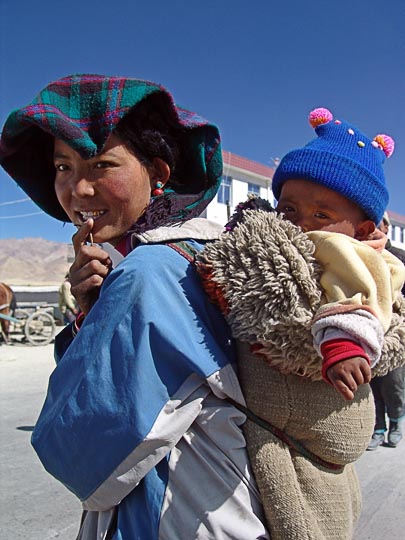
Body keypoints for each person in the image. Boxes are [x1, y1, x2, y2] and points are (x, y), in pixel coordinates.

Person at [0, 74, 269, 540]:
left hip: (183, 511)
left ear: (158, 175)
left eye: (101, 164)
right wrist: (93, 312)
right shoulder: (181, 258)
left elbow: (82, 446)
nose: (77, 189)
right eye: (63, 167)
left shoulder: (150, 270)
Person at [197, 108, 405, 539]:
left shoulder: (346, 252)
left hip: (319, 396)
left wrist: (343, 346)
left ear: (362, 228)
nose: (301, 223)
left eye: (321, 215)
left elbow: (357, 300)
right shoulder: (288, 242)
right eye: (288, 208)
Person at [367, 212, 405, 449]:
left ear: (387, 228)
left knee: (393, 382)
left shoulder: (399, 258)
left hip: (395, 330)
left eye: (378, 224)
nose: (374, 228)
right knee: (371, 383)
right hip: (369, 328)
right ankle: (377, 427)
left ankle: (397, 420)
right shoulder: (360, 253)